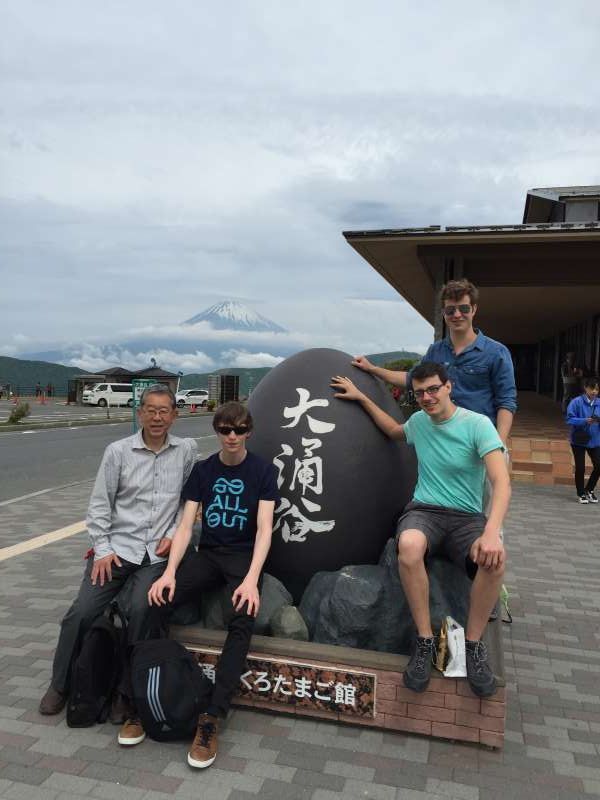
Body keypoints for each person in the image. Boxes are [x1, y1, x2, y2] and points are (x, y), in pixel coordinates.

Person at [331, 362, 510, 698]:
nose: (427, 397)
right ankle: (425, 640)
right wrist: (361, 397)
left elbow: (502, 483)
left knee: (494, 562)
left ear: (448, 387)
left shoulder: (477, 425)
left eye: (433, 389)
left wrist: (492, 531)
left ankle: (472, 645)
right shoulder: (419, 423)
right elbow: (393, 430)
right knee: (409, 545)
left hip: (467, 517)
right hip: (424, 510)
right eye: (420, 393)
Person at [132, 401, 279, 769]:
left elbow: (264, 529)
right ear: (217, 431)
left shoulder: (262, 471)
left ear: (249, 432)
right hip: (210, 554)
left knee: (242, 617)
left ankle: (212, 715)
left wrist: (251, 580)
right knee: (156, 603)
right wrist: (169, 573)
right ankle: (141, 694)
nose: (233, 436)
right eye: (226, 429)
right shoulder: (203, 470)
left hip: (244, 559)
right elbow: (184, 527)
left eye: (240, 430)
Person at [38, 384, 197, 718]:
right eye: (150, 410)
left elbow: (188, 503)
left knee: (142, 608)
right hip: (118, 550)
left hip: (156, 554)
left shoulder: (186, 451)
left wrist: (172, 533)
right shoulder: (118, 452)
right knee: (81, 611)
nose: (157, 417)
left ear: (174, 415)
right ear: (140, 413)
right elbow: (99, 507)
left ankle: (127, 690)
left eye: (163, 411)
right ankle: (61, 684)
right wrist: (103, 549)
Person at [352, 278, 517, 443]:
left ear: (473, 309)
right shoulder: (435, 351)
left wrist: (499, 445)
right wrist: (373, 369)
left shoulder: (496, 352)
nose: (457, 315)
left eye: (464, 308)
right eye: (450, 310)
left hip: (478, 441)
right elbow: (412, 379)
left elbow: (506, 401)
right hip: (439, 438)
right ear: (444, 313)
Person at [566, 376, 600, 504]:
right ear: (585, 388)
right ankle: (581, 493)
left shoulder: (599, 403)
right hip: (579, 440)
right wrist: (584, 421)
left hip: (595, 440)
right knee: (580, 467)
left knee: (599, 465)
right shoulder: (576, 402)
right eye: (592, 388)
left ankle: (589, 489)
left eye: (597, 389)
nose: (594, 392)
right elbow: (569, 419)